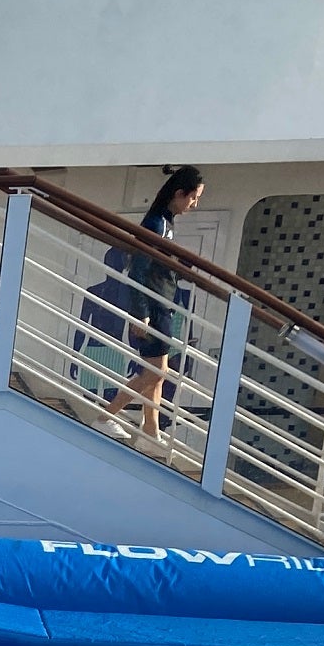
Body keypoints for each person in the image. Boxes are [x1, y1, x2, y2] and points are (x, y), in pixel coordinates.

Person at [104, 165, 205, 447]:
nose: (194, 204)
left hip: (161, 306)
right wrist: (141, 314)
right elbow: (138, 269)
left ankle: (150, 433)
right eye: (193, 197)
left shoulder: (166, 222)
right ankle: (105, 417)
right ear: (179, 193)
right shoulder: (156, 223)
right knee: (156, 373)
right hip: (152, 308)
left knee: (157, 377)